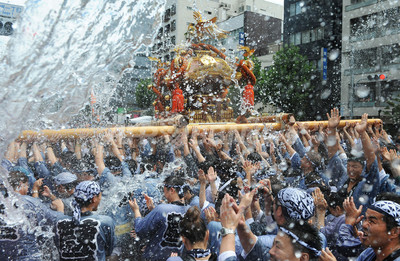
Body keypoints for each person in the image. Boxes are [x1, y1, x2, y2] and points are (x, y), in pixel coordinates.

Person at [1, 170, 64, 260]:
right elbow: (56, 221)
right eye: (26, 185)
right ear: (20, 185)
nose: (27, 189)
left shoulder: (3, 204)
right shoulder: (29, 202)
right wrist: (60, 209)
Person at [129, 174, 189, 260]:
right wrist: (153, 210)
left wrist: (136, 210)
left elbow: (139, 230)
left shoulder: (161, 209)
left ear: (172, 190)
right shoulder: (190, 210)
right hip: (179, 257)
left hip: (157, 257)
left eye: (164, 191)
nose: (163, 194)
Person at [54, 181, 115, 261]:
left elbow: (58, 246)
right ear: (94, 198)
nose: (100, 198)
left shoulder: (59, 221)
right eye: (100, 195)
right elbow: (108, 251)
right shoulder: (105, 221)